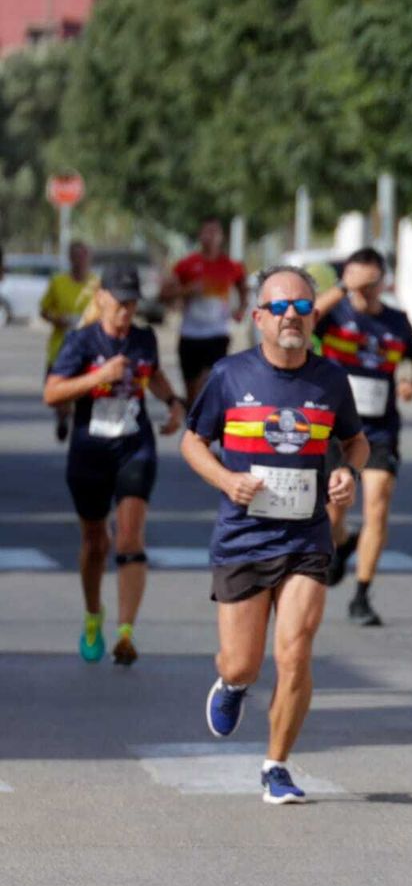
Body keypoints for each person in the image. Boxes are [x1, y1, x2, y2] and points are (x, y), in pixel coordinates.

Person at [181, 265, 368, 804]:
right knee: (242, 660)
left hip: (306, 539)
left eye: (303, 307)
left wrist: (347, 472)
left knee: (295, 652)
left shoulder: (330, 380)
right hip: (243, 538)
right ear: (258, 316)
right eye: (280, 307)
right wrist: (226, 479)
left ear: (313, 318)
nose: (292, 316)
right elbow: (192, 442)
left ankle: (276, 764)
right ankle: (235, 683)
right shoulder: (229, 375)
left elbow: (356, 442)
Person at [43, 265, 184, 665]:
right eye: (120, 302)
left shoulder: (143, 339)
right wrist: (99, 376)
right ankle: (93, 615)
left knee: (129, 537)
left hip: (134, 446)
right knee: (95, 542)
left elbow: (153, 375)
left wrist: (173, 402)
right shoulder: (81, 341)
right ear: (102, 297)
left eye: (132, 303)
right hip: (89, 450)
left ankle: (126, 632)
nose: (126, 310)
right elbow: (52, 393)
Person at [312, 247, 412, 626]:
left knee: (377, 503)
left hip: (379, 429)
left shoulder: (396, 321)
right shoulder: (335, 314)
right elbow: (306, 318)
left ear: (382, 282)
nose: (362, 291)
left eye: (369, 283)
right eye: (355, 282)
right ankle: (343, 541)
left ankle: (362, 595)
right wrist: (342, 289)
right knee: (334, 510)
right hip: (334, 429)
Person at [166, 217, 249, 404]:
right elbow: (164, 294)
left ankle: (208, 418)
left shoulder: (231, 266)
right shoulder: (186, 265)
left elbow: (243, 286)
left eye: (215, 232)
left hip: (217, 334)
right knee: (193, 394)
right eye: (207, 232)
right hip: (190, 334)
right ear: (200, 235)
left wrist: (241, 309)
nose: (211, 237)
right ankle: (193, 419)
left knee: (209, 384)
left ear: (222, 237)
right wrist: (187, 290)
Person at [40, 241, 99, 442]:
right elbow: (44, 310)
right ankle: (63, 416)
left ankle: (79, 424)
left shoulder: (96, 284)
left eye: (83, 256)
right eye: (76, 256)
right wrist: (58, 319)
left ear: (88, 258)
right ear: (70, 258)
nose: (79, 261)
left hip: (88, 347)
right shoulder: (58, 282)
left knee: (84, 391)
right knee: (58, 392)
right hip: (60, 346)